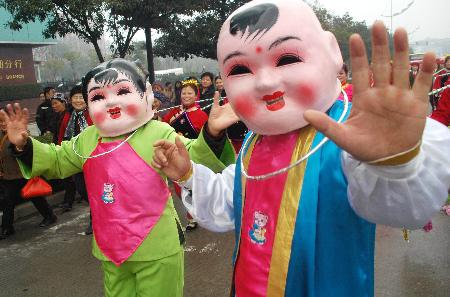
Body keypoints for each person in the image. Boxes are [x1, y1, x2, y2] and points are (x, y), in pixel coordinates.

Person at [151, 1, 450, 297]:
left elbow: (403, 207)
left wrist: (397, 163)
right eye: (241, 68)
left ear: (332, 52)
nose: (266, 82)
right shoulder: (255, 143)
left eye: (287, 59)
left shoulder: (348, 137)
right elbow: (231, 201)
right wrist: (188, 174)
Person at [0, 58, 235, 297]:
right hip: (111, 247)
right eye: (98, 97)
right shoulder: (88, 138)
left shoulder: (158, 131)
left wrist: (212, 132)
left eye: (122, 91)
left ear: (146, 93)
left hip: (156, 243)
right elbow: (57, 159)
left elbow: (192, 156)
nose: (110, 102)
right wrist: (24, 146)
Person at [162, 79, 209, 231]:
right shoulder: (174, 112)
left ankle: (194, 216)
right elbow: (163, 125)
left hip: (192, 155)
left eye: (190, 93)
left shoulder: (201, 115)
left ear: (196, 95)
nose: (186, 96)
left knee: (193, 186)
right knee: (179, 187)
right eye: (184, 93)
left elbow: (205, 138)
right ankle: (192, 213)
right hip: (175, 155)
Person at [0, 116, 56, 240]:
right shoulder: (2, 137)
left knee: (35, 197)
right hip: (8, 176)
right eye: (0, 122)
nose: (3, 124)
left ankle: (49, 216)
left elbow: (29, 150)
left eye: (5, 121)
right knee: (7, 203)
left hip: (23, 174)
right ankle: (7, 228)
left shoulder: (19, 134)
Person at [56, 85, 93, 233]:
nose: (78, 100)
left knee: (95, 190)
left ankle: (94, 219)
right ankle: (97, 212)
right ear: (70, 100)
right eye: (75, 97)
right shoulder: (67, 116)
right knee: (82, 190)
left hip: (93, 158)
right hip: (76, 159)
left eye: (81, 97)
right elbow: (61, 137)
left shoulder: (93, 113)